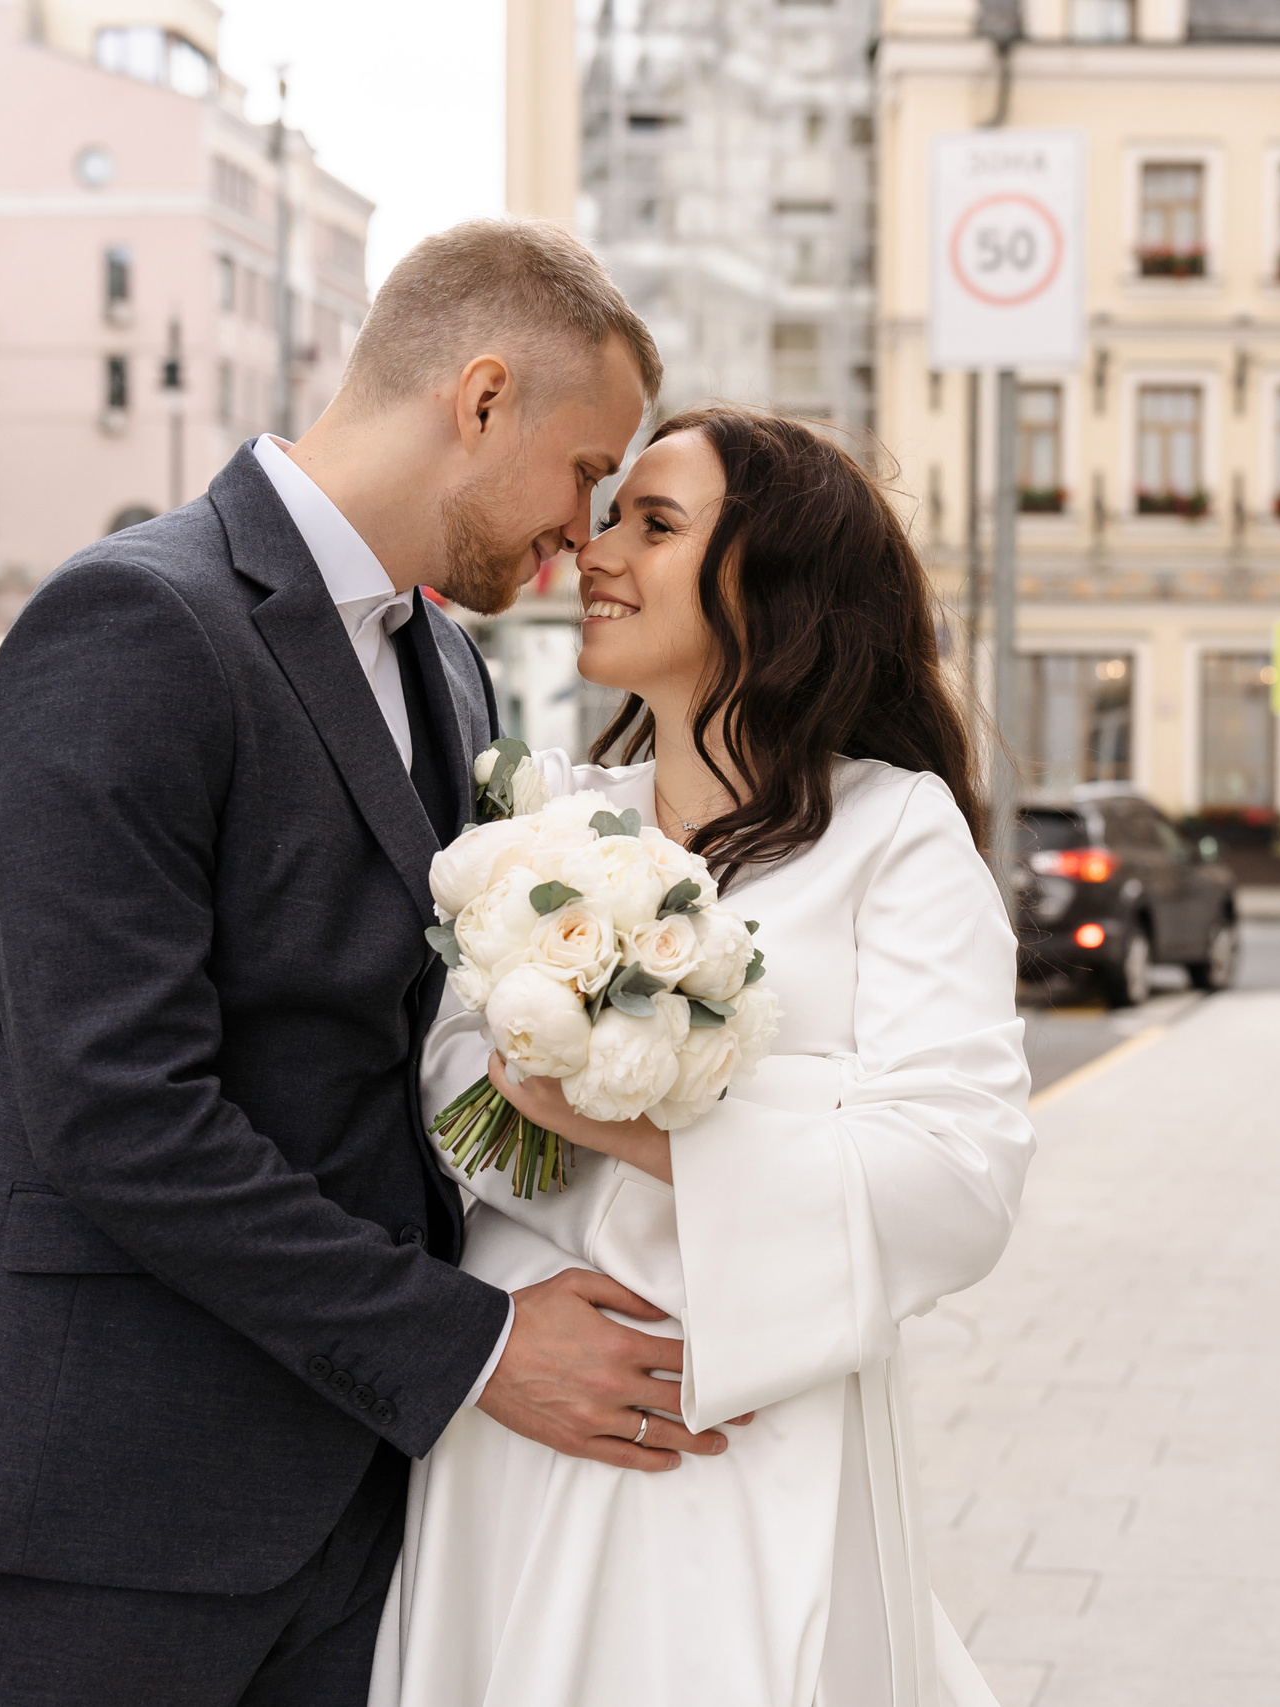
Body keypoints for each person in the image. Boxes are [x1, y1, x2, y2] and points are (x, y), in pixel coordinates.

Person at [0, 219, 677, 1707]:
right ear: (480, 397)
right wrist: (473, 1347)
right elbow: (118, 1108)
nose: (583, 530)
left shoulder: (448, 660)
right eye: (584, 470)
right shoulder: (135, 622)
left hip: (346, 1508)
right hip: (96, 1512)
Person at [373, 408, 1033, 1707]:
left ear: (769, 585)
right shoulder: (543, 821)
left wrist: (624, 1114)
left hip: (744, 1431)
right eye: (607, 510)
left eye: (654, 523)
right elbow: (454, 1102)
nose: (597, 549)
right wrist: (808, 1116)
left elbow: (959, 1176)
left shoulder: (894, 832)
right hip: (523, 1411)